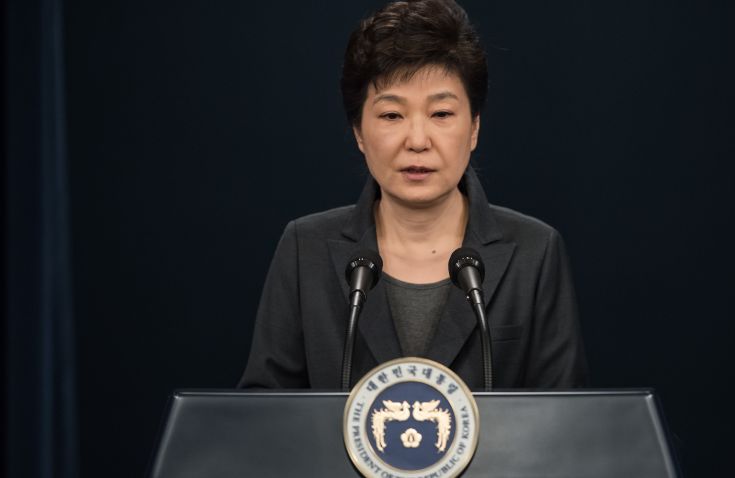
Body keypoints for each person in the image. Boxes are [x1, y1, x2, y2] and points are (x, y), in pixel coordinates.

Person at [239, 0, 587, 390]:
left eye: (441, 114)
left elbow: (564, 423)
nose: (417, 141)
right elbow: (264, 416)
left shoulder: (535, 251)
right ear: (358, 132)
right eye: (392, 115)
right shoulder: (306, 248)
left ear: (473, 128)